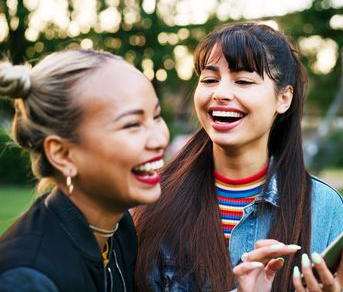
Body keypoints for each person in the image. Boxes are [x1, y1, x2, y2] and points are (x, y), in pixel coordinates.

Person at [0, 49, 289, 292]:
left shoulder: (119, 229)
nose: (160, 138)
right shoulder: (27, 279)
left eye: (156, 116)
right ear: (62, 154)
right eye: (132, 124)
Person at [133, 22, 343, 291]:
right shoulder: (152, 198)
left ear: (283, 98)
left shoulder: (322, 206)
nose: (220, 93)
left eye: (243, 81)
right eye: (209, 80)